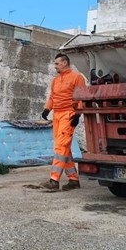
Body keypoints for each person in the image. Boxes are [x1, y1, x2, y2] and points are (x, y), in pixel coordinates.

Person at [40, 53, 86, 191]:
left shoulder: (77, 77)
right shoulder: (55, 80)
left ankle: (54, 180)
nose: (55, 66)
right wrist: (47, 109)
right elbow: (53, 97)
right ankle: (73, 180)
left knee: (61, 146)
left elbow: (82, 97)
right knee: (64, 148)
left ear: (65, 63)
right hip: (57, 115)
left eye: (57, 64)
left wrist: (78, 114)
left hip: (68, 114)